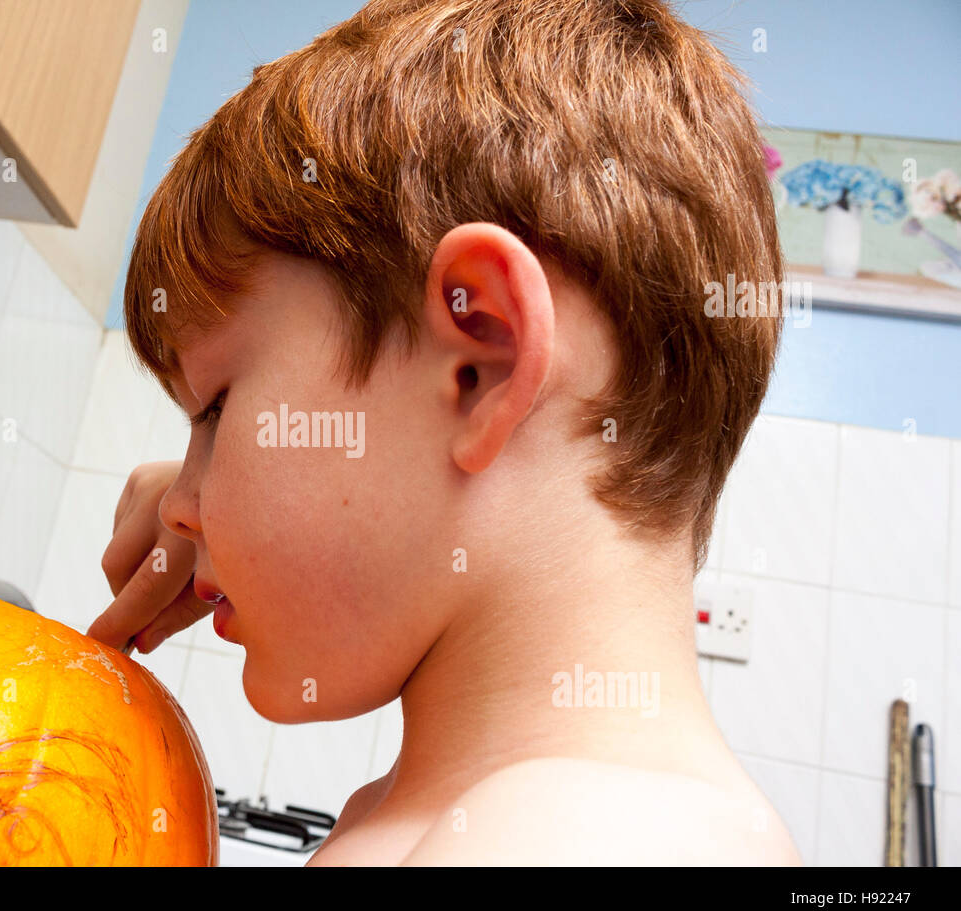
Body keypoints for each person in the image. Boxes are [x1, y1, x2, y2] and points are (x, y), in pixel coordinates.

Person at [83, 0, 802, 864]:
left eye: (216, 409)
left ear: (480, 364)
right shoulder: (483, 815)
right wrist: (238, 491)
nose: (184, 507)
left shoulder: (581, 840)